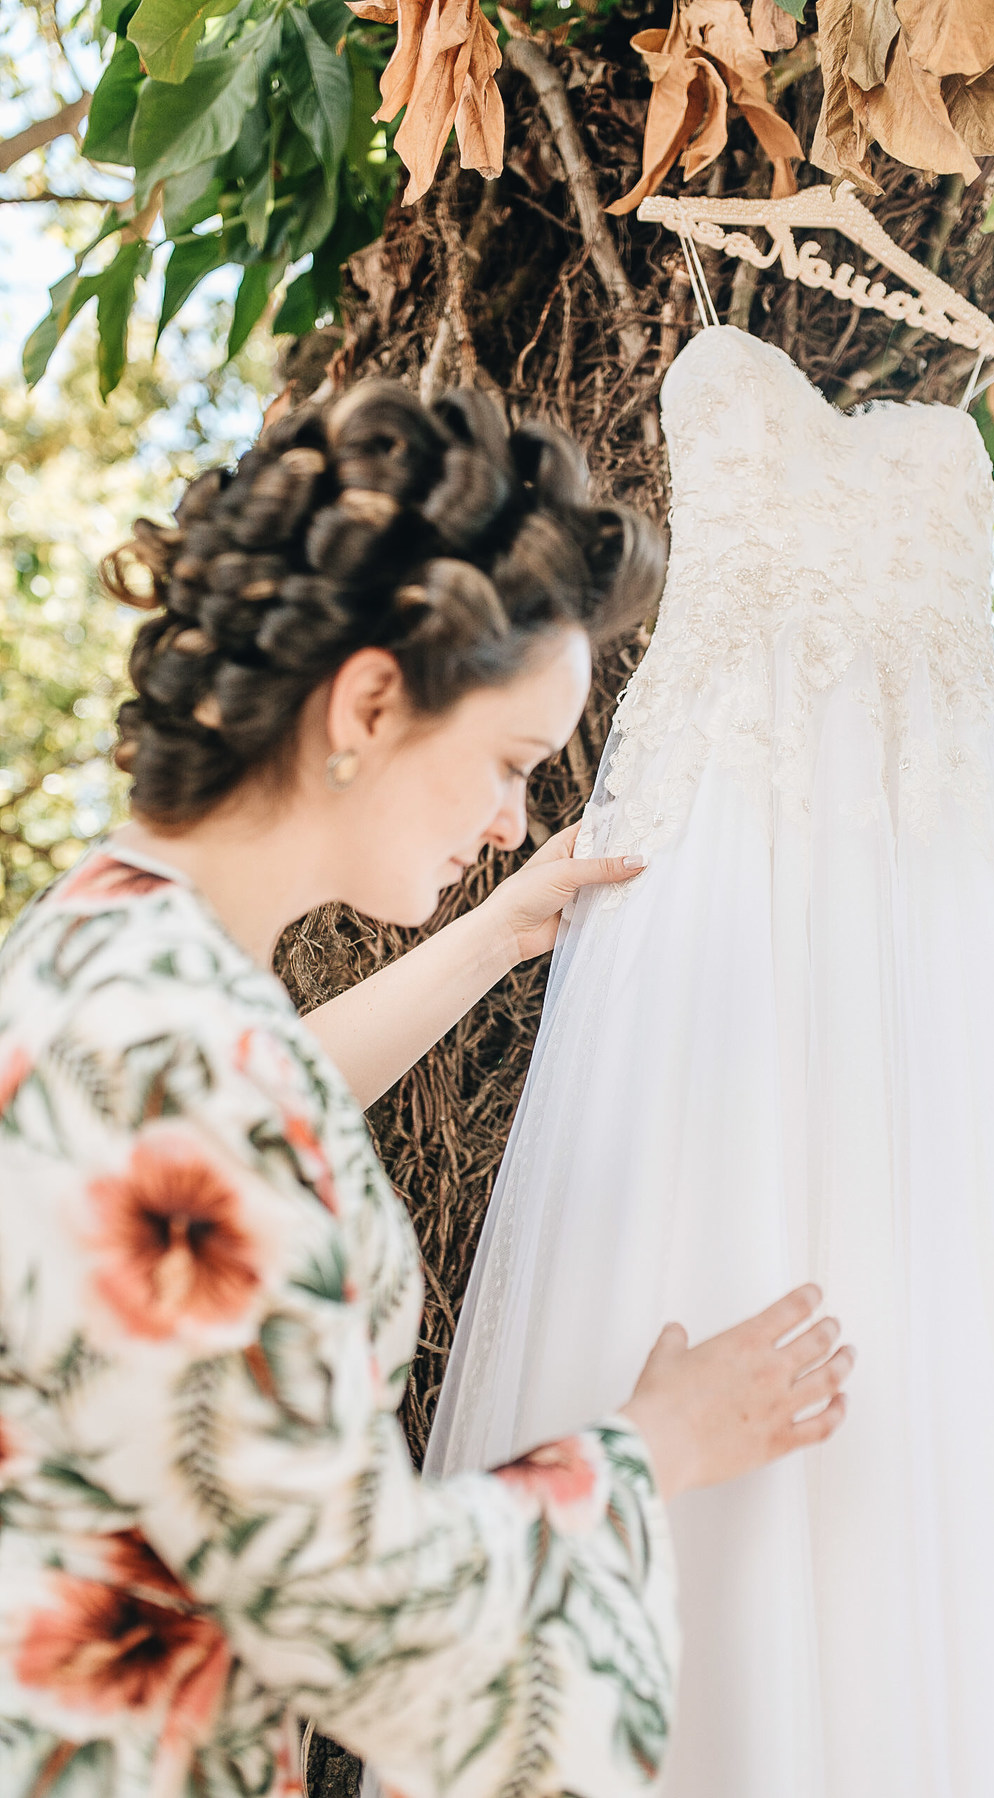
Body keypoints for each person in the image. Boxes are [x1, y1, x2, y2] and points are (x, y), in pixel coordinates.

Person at [0, 381, 854, 1798]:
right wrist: (656, 1448)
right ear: (374, 699)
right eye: (512, 762)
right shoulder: (185, 1061)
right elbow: (372, 1625)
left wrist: (501, 929)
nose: (513, 816)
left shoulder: (91, 963)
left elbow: (244, 1116)